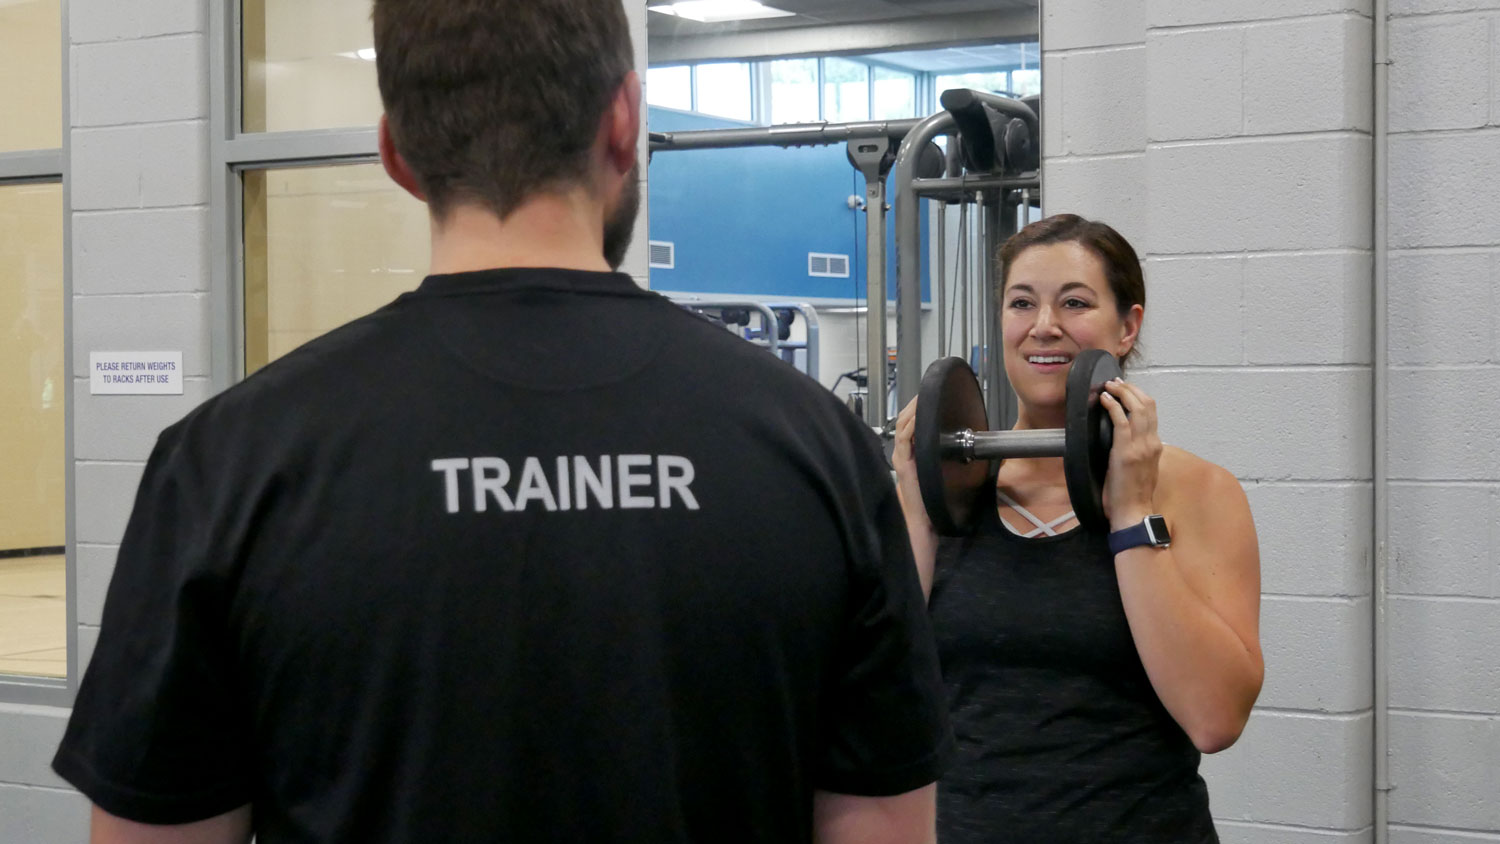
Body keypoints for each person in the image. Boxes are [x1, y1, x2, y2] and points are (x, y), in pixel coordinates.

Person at [51, 2, 953, 841]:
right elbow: (882, 828)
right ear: (624, 121)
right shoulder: (816, 447)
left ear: (396, 153)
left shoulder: (229, 462)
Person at [892, 214, 1263, 842]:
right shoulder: (944, 496)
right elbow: (879, 701)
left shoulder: (1198, 491)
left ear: (1128, 326)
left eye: (1074, 303)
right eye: (1021, 303)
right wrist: (917, 508)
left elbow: (1214, 718)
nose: (1043, 325)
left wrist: (1131, 510)